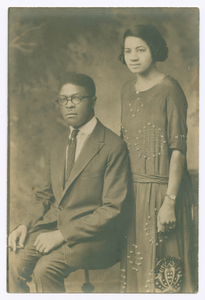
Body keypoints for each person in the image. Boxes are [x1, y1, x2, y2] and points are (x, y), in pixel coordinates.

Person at [8, 72, 130, 293]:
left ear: (93, 101)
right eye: (63, 100)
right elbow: (44, 195)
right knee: (12, 260)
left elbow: (112, 209)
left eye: (76, 98)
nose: (69, 105)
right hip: (54, 226)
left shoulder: (113, 146)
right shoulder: (57, 145)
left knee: (45, 269)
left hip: (95, 238)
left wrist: (62, 234)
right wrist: (23, 225)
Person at [118, 24, 197, 293]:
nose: (133, 56)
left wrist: (169, 202)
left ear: (155, 50)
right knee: (138, 273)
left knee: (166, 277)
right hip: (134, 195)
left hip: (166, 192)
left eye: (141, 49)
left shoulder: (170, 88)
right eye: (128, 50)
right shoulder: (126, 90)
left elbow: (178, 149)